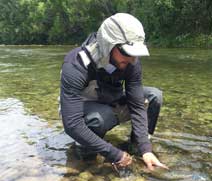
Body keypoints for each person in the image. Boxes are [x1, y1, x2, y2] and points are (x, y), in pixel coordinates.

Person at [60, 13, 167, 171]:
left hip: (109, 98)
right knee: (98, 119)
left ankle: (136, 147)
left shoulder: (131, 61)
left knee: (153, 97)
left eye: (135, 53)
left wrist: (146, 149)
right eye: (127, 52)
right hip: (82, 108)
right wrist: (114, 154)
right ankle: (85, 156)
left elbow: (137, 104)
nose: (132, 59)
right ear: (108, 44)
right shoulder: (76, 64)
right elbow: (72, 123)